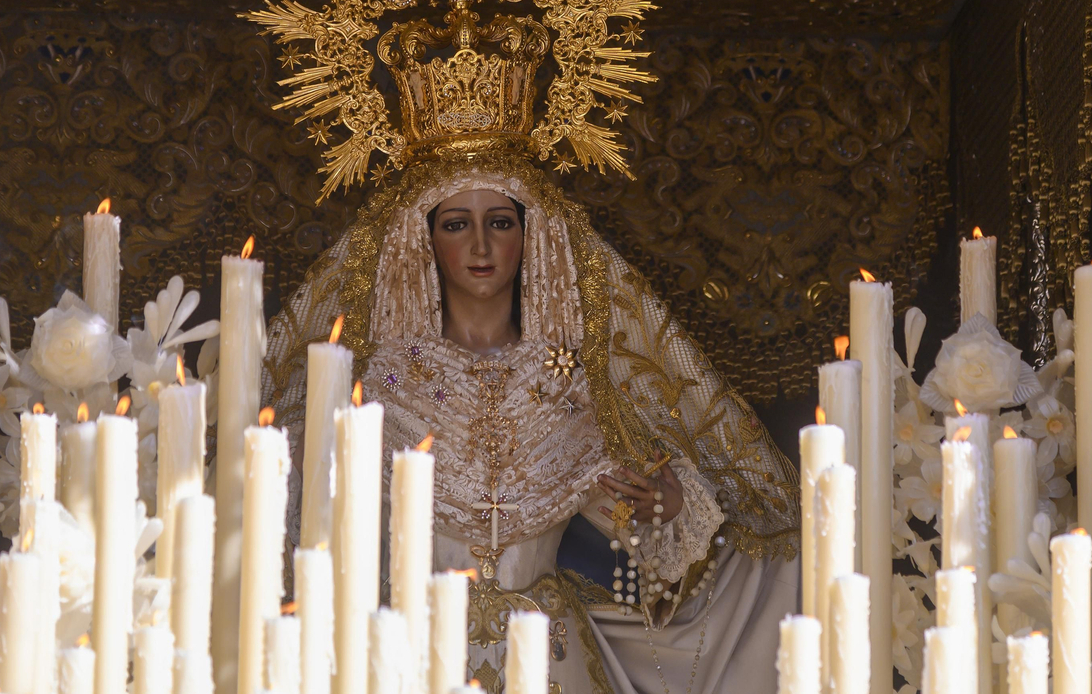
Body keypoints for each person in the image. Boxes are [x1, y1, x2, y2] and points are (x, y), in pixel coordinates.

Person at [264, 150, 799, 693]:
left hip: (548, 659)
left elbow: (642, 517)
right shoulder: (379, 383)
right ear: (423, 239)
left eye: (499, 222)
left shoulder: (574, 386)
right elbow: (305, 522)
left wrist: (668, 507)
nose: (480, 245)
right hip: (413, 658)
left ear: (529, 234)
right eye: (456, 224)